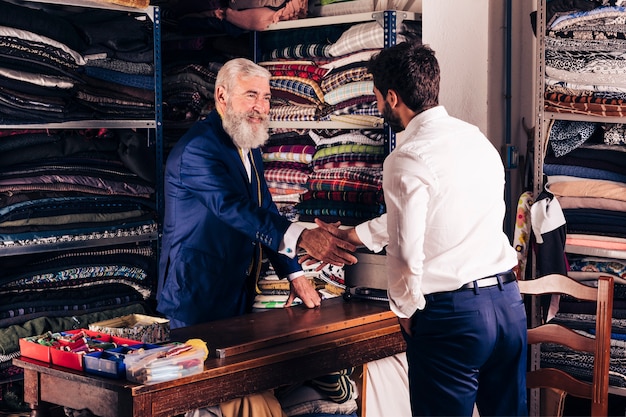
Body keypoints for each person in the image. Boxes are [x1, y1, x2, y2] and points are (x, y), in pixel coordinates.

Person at [315, 42, 528, 416]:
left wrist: (407, 310)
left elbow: (406, 250)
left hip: (453, 316)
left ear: (393, 97)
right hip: (508, 306)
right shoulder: (475, 140)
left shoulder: (406, 158)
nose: (378, 106)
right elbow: (434, 213)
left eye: (378, 98)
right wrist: (355, 235)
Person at [156, 57, 357, 329]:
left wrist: (294, 273)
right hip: (194, 296)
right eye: (251, 95)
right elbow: (233, 208)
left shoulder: (245, 142)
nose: (261, 107)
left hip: (235, 290)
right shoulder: (198, 148)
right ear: (221, 95)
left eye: (266, 98)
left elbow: (264, 208)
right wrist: (303, 236)